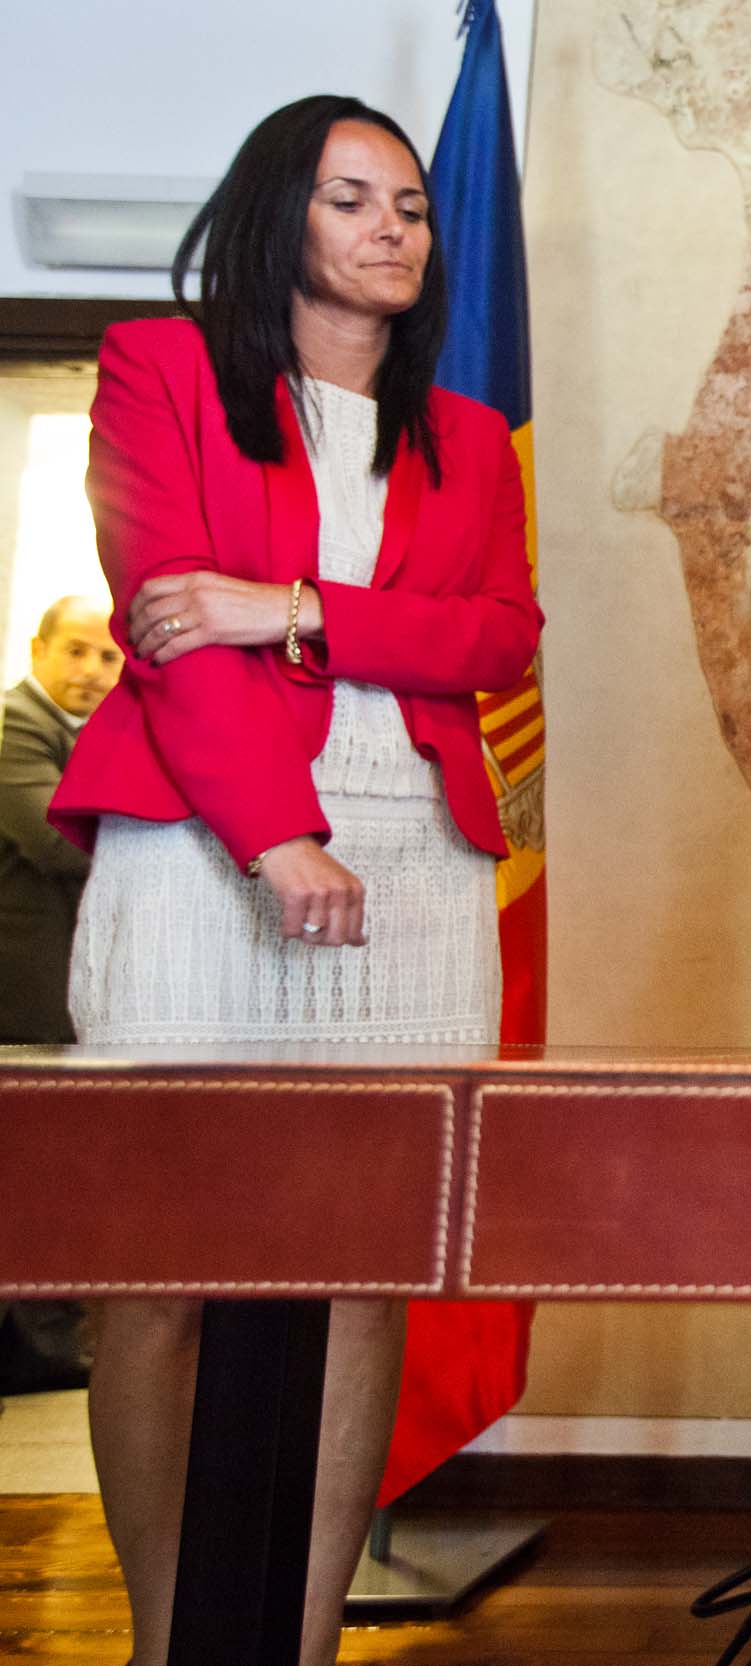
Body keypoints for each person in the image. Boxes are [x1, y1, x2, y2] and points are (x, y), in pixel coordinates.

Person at [45, 96, 541, 1666]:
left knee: (360, 1270)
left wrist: (292, 606)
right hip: (205, 847)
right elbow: (167, 632)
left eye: (412, 206)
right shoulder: (163, 372)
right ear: (282, 215)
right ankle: (167, 1639)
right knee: (160, 1271)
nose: (394, 227)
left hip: (415, 864)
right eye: (353, 198)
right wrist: (276, 838)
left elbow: (498, 638)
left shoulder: (469, 436)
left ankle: (307, 1644)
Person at [0, 595, 121, 1395]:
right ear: (38, 649)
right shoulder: (15, 728)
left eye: (107, 657)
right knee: (30, 1168)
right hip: (21, 996)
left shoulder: (85, 734)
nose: (90, 671)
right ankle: (36, 1349)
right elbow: (54, 839)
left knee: (50, 1168)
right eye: (75, 650)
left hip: (59, 991)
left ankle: (44, 1343)